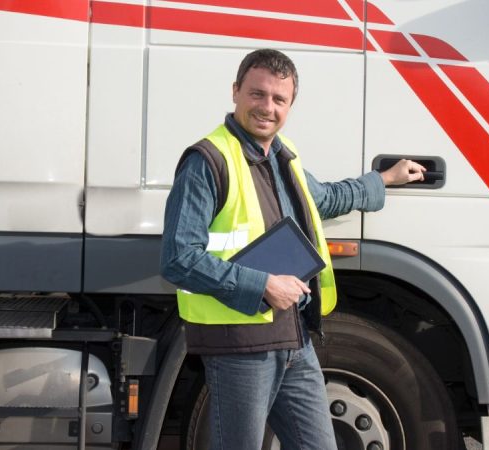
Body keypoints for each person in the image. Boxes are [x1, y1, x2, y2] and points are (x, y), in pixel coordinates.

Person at [160, 48, 425, 450]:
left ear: (290, 105)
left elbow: (326, 198)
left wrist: (383, 179)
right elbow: (178, 258)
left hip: (294, 340)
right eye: (257, 94)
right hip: (240, 344)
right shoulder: (208, 161)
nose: (267, 107)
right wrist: (262, 284)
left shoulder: (285, 158)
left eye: (278, 99)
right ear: (235, 92)